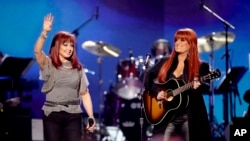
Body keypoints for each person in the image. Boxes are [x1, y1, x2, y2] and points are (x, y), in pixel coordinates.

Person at [34, 13, 96, 141]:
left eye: (71, 45)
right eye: (65, 44)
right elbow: (37, 51)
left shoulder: (78, 68)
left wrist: (91, 116)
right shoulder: (48, 63)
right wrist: (44, 32)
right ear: (57, 46)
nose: (69, 48)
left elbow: (84, 93)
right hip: (52, 114)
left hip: (73, 114)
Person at [144, 28, 212, 141]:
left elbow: (206, 86)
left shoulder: (201, 65)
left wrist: (198, 86)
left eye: (182, 40)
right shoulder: (165, 62)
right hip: (167, 117)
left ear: (191, 44)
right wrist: (157, 92)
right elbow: (147, 78)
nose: (177, 43)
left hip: (189, 117)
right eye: (176, 40)